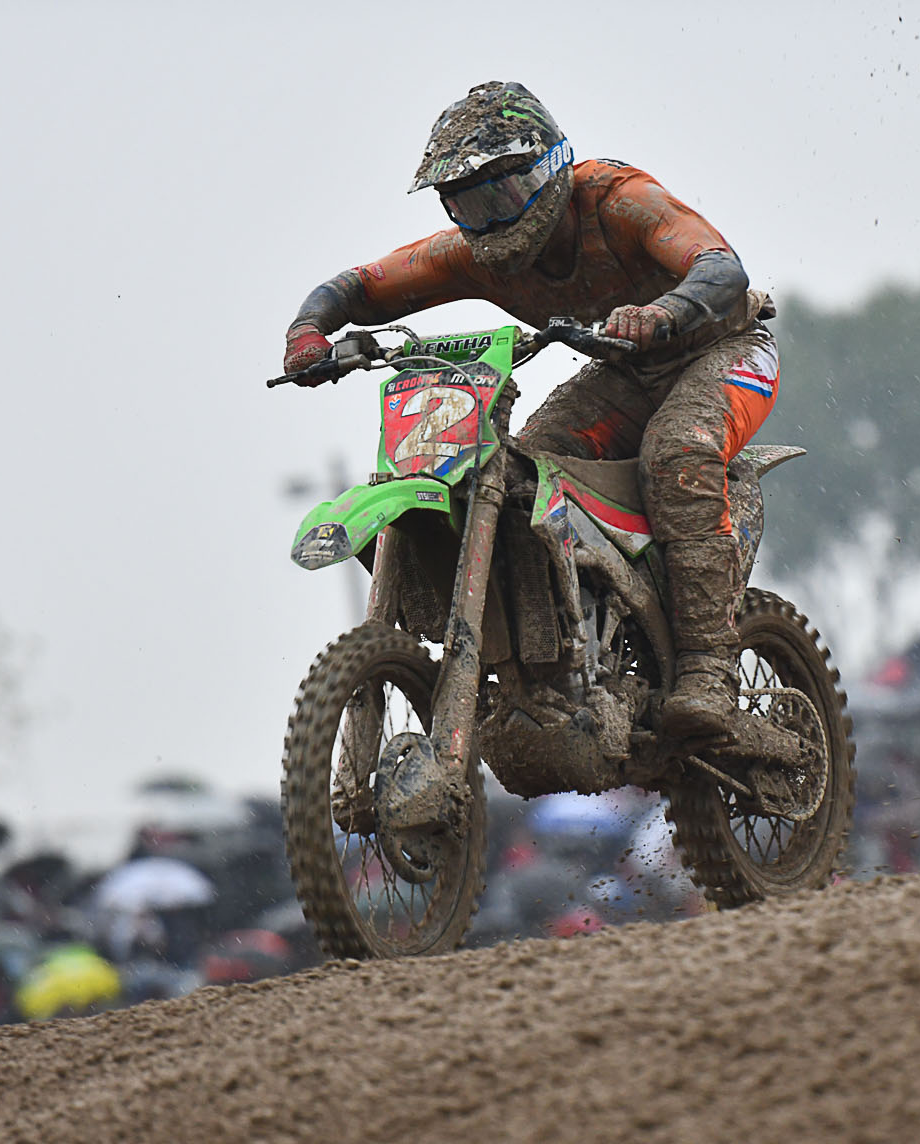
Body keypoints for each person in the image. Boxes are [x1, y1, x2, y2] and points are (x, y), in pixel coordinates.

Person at [280, 81, 778, 736]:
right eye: (469, 204)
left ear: (550, 168)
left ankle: (707, 667)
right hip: (625, 372)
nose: (491, 221)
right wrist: (308, 331)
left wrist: (662, 312)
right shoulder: (472, 255)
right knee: (525, 475)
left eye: (503, 194)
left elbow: (722, 268)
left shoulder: (619, 200)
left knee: (676, 452)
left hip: (725, 351)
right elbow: (363, 286)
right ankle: (569, 652)